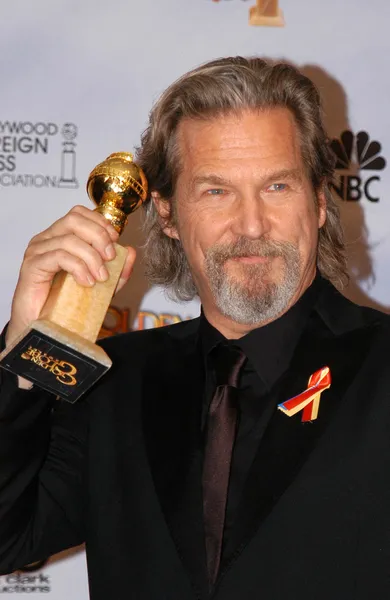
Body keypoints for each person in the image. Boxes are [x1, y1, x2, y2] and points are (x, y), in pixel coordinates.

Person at [0, 56, 389, 600]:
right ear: (166, 214)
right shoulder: (111, 384)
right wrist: (25, 350)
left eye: (277, 187)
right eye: (216, 191)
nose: (252, 225)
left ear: (320, 201)